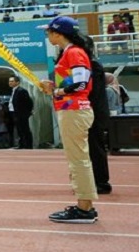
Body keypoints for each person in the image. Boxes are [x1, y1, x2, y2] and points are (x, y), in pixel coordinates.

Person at [39, 16, 98, 223]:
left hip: (74, 110)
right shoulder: (70, 52)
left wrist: (56, 90)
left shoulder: (73, 52)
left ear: (58, 33)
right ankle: (84, 205)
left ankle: (84, 209)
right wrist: (55, 89)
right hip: (71, 109)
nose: (47, 35)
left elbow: (81, 85)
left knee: (78, 160)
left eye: (49, 31)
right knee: (78, 159)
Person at [85, 36, 112, 195]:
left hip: (93, 112)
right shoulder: (89, 64)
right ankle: (93, 180)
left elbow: (91, 93)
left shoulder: (93, 65)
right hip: (90, 111)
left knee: (96, 148)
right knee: (90, 149)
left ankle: (101, 182)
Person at [8, 76, 34, 149]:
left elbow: (29, 102)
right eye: (9, 81)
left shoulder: (21, 90)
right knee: (19, 129)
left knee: (25, 129)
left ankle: (28, 145)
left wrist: (28, 112)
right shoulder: (14, 90)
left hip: (21, 114)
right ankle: (22, 144)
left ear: (17, 82)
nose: (10, 82)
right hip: (15, 113)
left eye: (12, 81)